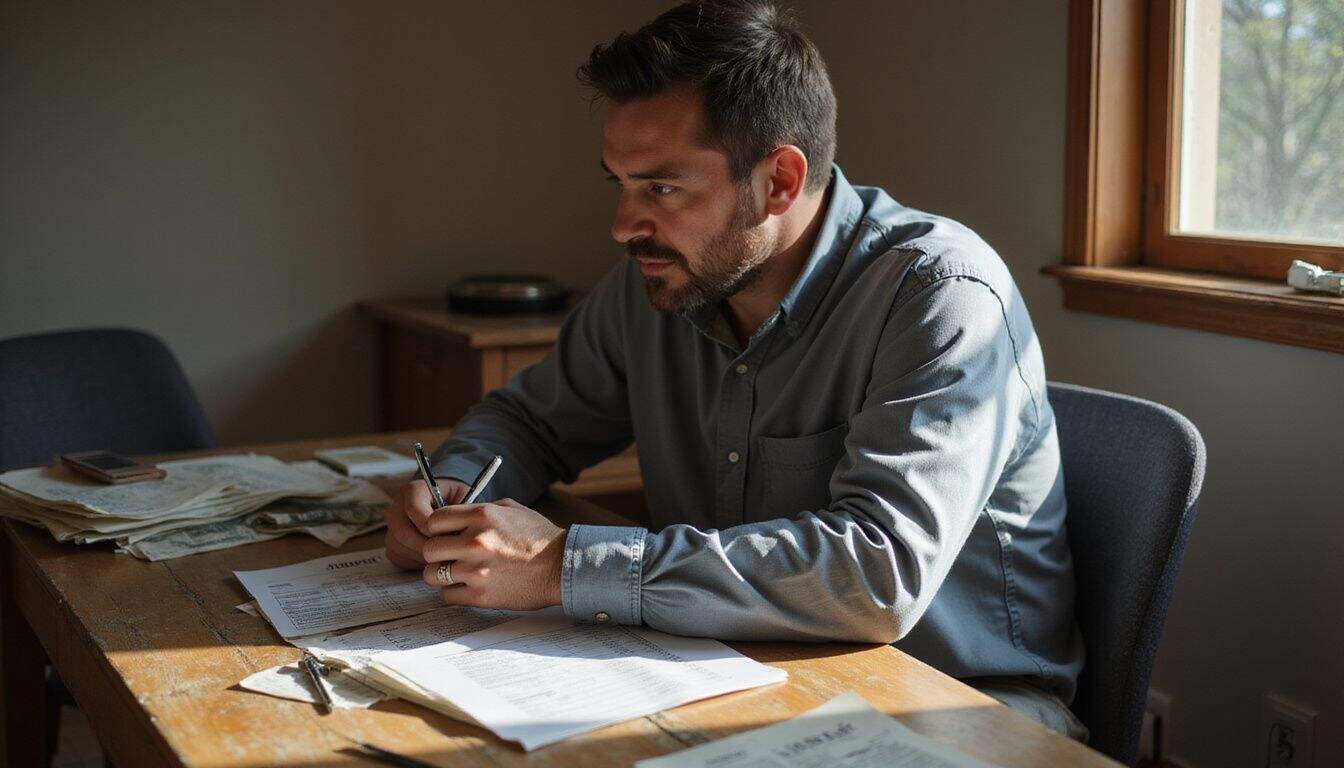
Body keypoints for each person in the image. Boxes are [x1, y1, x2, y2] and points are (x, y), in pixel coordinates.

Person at [384, 0, 1086, 740]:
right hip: (740, 674)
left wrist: (565, 564)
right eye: (619, 184)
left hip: (955, 706)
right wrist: (457, 488)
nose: (623, 226)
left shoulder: (940, 295)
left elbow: (878, 575)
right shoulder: (655, 283)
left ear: (780, 180)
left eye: (661, 188)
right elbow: (528, 421)